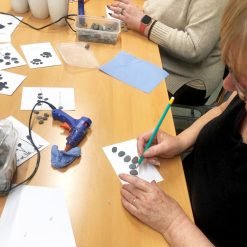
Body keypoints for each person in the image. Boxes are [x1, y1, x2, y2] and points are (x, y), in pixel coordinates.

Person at [118, 0, 247, 246]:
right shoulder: (239, 100)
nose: (227, 86)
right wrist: (180, 141)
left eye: (242, 83)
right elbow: (222, 108)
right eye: (229, 70)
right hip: (180, 194)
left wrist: (172, 222)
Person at [108, 0, 228, 106]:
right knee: (108, 62)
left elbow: (194, 48)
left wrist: (144, 22)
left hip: (185, 77)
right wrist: (137, 12)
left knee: (115, 88)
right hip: (160, 55)